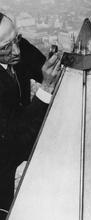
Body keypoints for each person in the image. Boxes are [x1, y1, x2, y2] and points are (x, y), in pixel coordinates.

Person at [0, 13, 61, 219]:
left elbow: (46, 70)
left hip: (26, 144)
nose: (16, 51)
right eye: (5, 48)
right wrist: (45, 88)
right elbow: (14, 132)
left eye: (16, 40)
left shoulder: (18, 46)